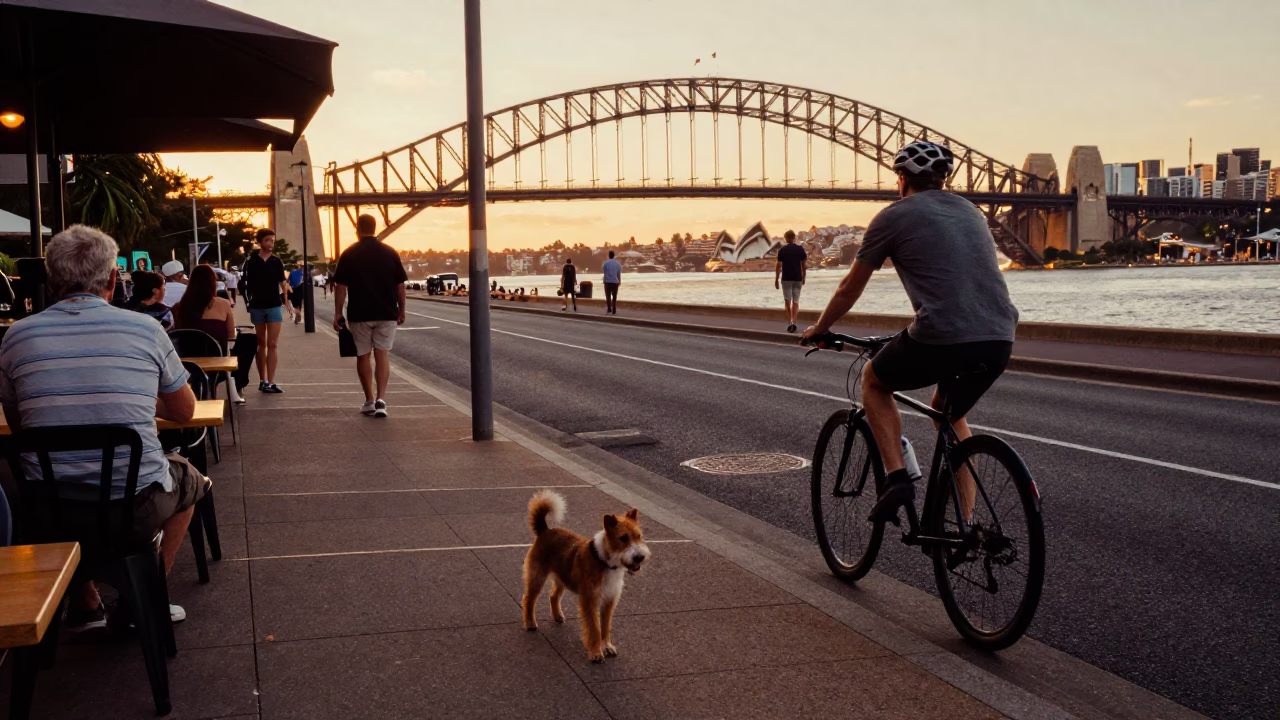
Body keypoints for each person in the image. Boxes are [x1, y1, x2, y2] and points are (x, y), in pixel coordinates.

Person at [0, 225, 207, 629]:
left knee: (57, 479)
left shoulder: (16, 336)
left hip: (47, 508)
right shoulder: (146, 329)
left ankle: (86, 603)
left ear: (51, 277)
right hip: (132, 507)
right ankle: (143, 601)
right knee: (190, 480)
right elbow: (184, 412)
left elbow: (21, 423)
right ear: (113, 278)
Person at [802, 141, 1018, 524]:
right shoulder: (971, 211)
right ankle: (965, 527)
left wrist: (821, 328)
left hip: (942, 334)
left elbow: (850, 287)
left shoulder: (893, 216)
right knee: (948, 415)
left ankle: (897, 478)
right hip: (1000, 335)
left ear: (901, 179)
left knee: (874, 381)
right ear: (943, 179)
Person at [332, 214, 407, 418]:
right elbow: (400, 285)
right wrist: (402, 309)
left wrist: (338, 312)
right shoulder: (390, 253)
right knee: (381, 353)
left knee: (363, 355)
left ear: (357, 229)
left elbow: (340, 287)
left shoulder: (349, 253)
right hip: (386, 312)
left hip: (360, 313)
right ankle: (382, 399)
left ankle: (369, 400)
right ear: (375, 228)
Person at [172, 265, 246, 405]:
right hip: (216, 357)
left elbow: (178, 332)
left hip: (187, 359)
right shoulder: (224, 304)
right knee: (248, 342)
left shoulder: (180, 306)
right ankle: (237, 384)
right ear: (213, 283)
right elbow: (231, 334)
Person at [244, 228, 292, 393]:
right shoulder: (250, 261)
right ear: (260, 242)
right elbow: (244, 284)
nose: (270, 243)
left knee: (272, 344)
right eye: (267, 240)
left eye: (272, 240)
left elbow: (282, 283)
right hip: (257, 306)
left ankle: (271, 381)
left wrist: (286, 302)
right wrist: (247, 303)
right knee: (261, 344)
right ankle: (262, 380)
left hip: (273, 305)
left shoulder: (276, 261)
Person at [775, 230, 807, 333]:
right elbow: (804, 266)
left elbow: (778, 266)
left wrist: (776, 279)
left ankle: (790, 322)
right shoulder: (800, 249)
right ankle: (794, 321)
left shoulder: (782, 250)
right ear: (794, 238)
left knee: (787, 301)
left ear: (785, 238)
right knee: (796, 301)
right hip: (798, 278)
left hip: (786, 279)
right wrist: (804, 278)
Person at [602, 250, 622, 315]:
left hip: (607, 282)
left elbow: (605, 273)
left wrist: (604, 281)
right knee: (614, 296)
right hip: (615, 282)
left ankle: (609, 309)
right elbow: (618, 274)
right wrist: (619, 281)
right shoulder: (618, 264)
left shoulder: (605, 263)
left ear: (609, 255)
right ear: (614, 256)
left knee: (608, 296)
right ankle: (614, 309)